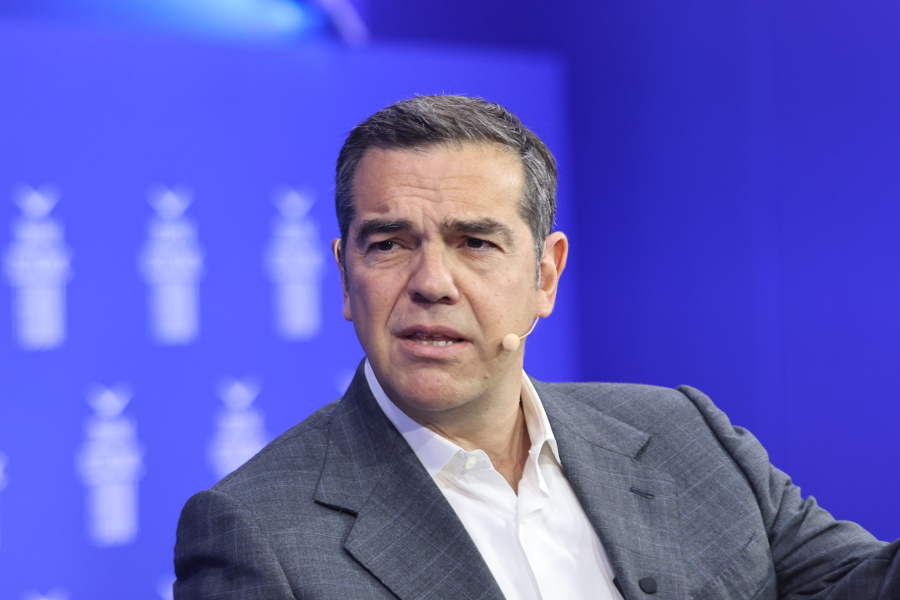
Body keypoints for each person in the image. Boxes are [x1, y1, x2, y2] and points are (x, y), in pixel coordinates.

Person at [174, 95, 899, 600]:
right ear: (344, 276)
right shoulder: (256, 534)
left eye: (474, 242)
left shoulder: (684, 434)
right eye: (389, 244)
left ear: (545, 276)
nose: (431, 283)